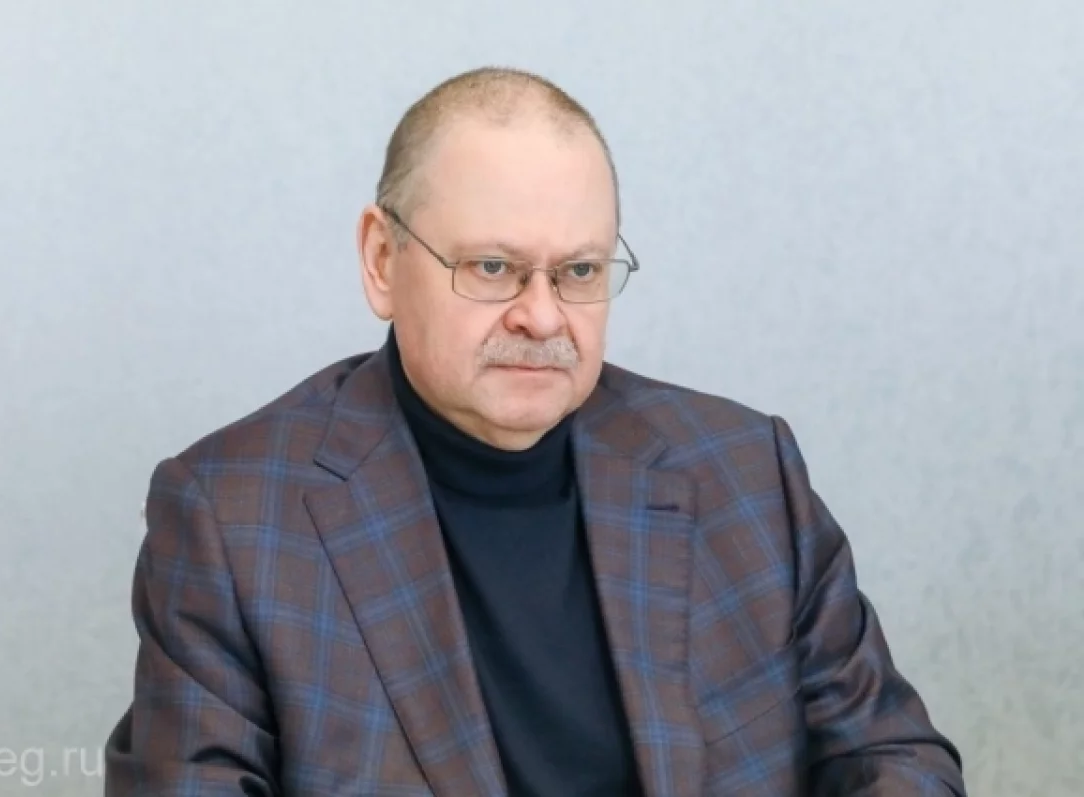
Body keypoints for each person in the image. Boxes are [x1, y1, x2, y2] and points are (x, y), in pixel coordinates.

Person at [103, 66, 966, 796]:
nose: (543, 315)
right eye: (493, 267)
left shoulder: (744, 471)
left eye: (580, 270)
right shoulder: (232, 520)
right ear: (381, 261)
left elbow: (897, 759)